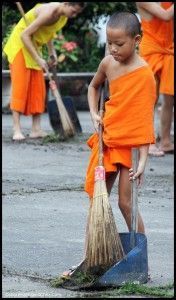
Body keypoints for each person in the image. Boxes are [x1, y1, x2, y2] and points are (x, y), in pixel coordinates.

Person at [63, 11, 156, 279]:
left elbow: (143, 119)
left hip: (130, 145)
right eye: (110, 43)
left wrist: (143, 161)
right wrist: (93, 112)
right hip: (108, 141)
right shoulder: (107, 64)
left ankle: (139, 259)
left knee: (126, 203)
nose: (113, 49)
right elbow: (94, 87)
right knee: (97, 201)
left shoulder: (145, 74)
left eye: (120, 44)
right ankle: (90, 257)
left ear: (136, 40)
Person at [3, 2, 85, 141]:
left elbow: (49, 33)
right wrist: (38, 59)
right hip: (21, 47)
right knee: (20, 88)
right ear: (66, 3)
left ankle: (36, 129)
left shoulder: (63, 16)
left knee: (38, 89)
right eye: (74, 11)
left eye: (77, 13)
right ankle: (16, 129)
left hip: (34, 47)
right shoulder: (48, 12)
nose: (74, 15)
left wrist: (52, 53)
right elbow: (24, 35)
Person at [136, 2, 174, 156]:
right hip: (151, 50)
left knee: (170, 98)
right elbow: (165, 16)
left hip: (169, 49)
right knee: (149, 98)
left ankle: (165, 141)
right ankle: (147, 142)